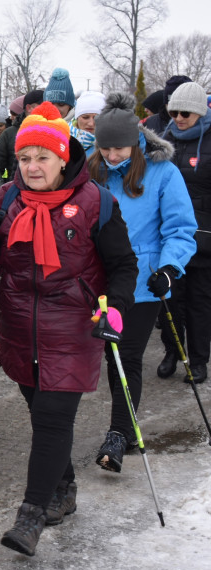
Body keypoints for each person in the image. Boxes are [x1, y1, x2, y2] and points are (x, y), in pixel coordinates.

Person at [0, 101, 138, 556]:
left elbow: (123, 265)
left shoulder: (97, 202)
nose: (32, 167)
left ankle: (30, 516)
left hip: (74, 328)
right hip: (18, 326)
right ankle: (64, 488)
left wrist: (116, 308)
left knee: (54, 420)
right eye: (24, 158)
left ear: (63, 157)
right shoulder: (6, 200)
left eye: (42, 157)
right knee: (42, 417)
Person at [86, 93, 197, 473]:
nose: (111, 155)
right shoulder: (91, 170)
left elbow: (180, 229)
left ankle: (119, 433)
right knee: (101, 354)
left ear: (136, 142)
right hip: (97, 279)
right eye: (105, 148)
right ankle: (110, 425)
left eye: (119, 148)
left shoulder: (163, 172)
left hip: (142, 283)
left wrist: (168, 268)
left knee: (125, 356)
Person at [157, 81, 211, 385]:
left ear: (200, 112)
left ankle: (199, 360)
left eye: (185, 113)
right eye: (174, 112)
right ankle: (172, 352)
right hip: (169, 233)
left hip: (203, 236)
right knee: (170, 299)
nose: (178, 118)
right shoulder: (165, 138)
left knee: (198, 302)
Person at [0, 89, 45, 182]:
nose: (11, 117)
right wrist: (5, 186)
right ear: (28, 108)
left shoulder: (55, 131)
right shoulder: (9, 133)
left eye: (14, 113)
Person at [71, 91, 106, 156]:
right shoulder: (62, 140)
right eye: (85, 117)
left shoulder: (109, 147)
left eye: (96, 118)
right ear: (76, 118)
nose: (91, 124)